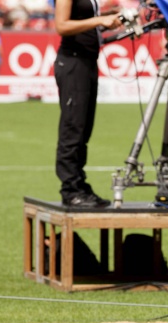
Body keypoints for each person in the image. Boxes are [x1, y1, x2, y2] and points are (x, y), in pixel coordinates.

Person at [53, 0, 122, 208]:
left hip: (87, 61)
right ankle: (70, 190)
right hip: (74, 61)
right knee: (73, 128)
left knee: (83, 129)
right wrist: (99, 20)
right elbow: (61, 25)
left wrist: (107, 17)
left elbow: (83, 20)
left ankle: (79, 185)